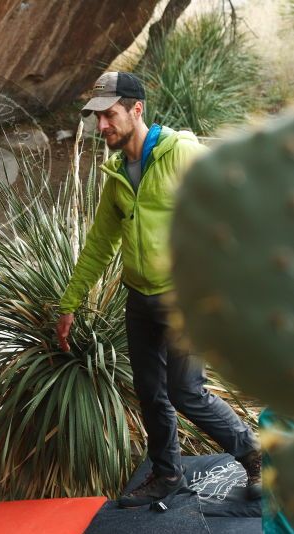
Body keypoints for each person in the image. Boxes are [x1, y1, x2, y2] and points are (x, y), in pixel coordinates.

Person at [55, 72, 261, 507]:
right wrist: (70, 303)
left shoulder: (181, 155)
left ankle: (255, 454)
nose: (102, 127)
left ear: (136, 110)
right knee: (151, 393)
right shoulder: (116, 176)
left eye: (109, 115)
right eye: (97, 119)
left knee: (186, 390)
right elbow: (98, 244)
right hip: (140, 299)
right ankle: (167, 475)